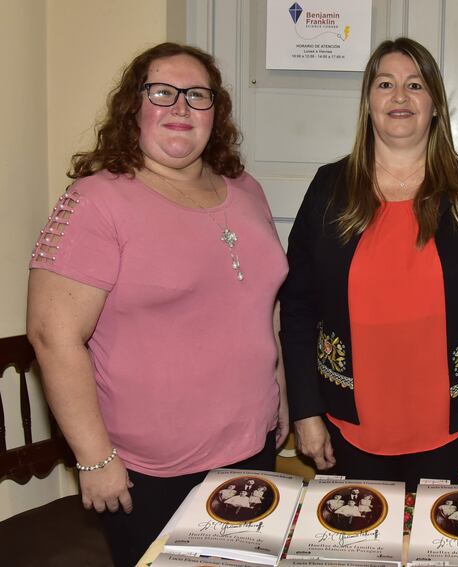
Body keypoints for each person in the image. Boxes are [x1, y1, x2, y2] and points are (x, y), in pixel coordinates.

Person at [26, 42, 289, 566]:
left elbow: (263, 303)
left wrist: (279, 389)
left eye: (197, 95)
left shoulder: (246, 189)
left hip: (249, 448)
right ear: (134, 107)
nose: (181, 108)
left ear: (217, 112)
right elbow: (52, 335)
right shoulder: (96, 202)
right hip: (149, 471)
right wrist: (94, 457)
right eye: (162, 92)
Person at [279, 37, 458, 492]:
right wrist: (306, 410)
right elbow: (297, 308)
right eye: (385, 84)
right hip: (345, 429)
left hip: (454, 430)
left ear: (434, 105)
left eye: (415, 85)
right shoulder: (329, 188)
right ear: (368, 103)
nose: (399, 97)